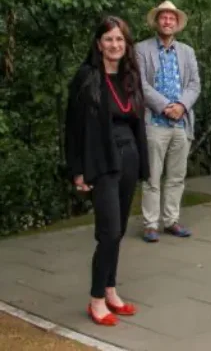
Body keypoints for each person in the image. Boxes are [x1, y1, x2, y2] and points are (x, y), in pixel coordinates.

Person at [65, 16, 150, 326]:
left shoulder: (130, 77)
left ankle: (111, 291)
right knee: (109, 232)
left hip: (129, 156)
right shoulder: (87, 77)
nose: (115, 45)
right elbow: (72, 127)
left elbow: (137, 123)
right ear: (99, 44)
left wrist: (142, 162)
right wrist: (77, 170)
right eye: (109, 39)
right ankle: (96, 300)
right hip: (101, 159)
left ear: (126, 44)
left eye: (120, 39)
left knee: (120, 230)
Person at [136, 0, 201, 243]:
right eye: (163, 17)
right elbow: (140, 84)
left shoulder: (187, 52)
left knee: (176, 177)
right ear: (157, 22)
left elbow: (194, 84)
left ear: (177, 23)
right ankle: (150, 224)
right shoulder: (141, 49)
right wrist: (165, 106)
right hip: (154, 122)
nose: (167, 21)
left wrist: (181, 106)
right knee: (152, 178)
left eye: (171, 18)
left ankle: (171, 220)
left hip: (181, 124)